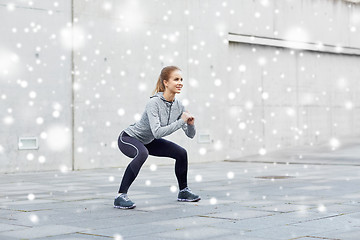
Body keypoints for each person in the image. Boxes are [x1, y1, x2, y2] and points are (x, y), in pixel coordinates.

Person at [114, 66, 201, 209]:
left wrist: (190, 124)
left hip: (148, 141)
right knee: (142, 153)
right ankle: (120, 196)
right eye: (176, 79)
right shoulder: (153, 103)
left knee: (181, 153)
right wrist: (181, 122)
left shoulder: (179, 106)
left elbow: (190, 135)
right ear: (166, 82)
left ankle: (183, 191)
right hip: (129, 138)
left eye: (181, 79)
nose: (180, 83)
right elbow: (157, 133)